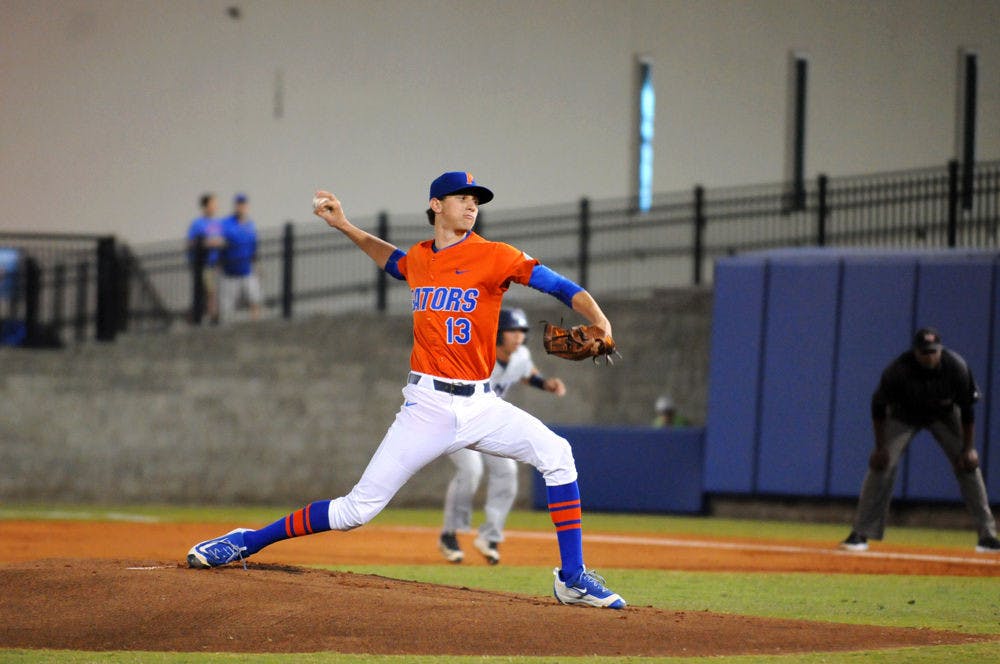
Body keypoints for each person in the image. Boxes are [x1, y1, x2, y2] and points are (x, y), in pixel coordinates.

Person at [187, 171, 627, 609]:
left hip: (482, 403)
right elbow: (393, 261)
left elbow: (563, 287)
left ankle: (572, 578)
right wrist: (344, 225)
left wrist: (601, 320)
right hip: (427, 406)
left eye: (477, 200)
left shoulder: (496, 256)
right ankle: (247, 540)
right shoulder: (419, 258)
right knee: (354, 512)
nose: (472, 205)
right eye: (462, 198)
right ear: (436, 205)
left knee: (558, 454)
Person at [839, 327, 1000, 553]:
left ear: (940, 350)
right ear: (915, 352)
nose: (929, 356)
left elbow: (967, 409)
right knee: (881, 466)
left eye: (933, 351)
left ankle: (988, 536)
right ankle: (860, 533)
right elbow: (878, 407)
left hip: (944, 415)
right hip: (904, 416)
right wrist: (880, 447)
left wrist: (969, 448)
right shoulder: (898, 370)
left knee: (969, 466)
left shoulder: (956, 366)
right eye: (924, 352)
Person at [438, 307, 566, 565]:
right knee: (471, 471)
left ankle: (489, 536)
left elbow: (527, 373)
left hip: (488, 423)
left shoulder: (521, 355)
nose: (518, 336)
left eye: (521, 331)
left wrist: (546, 384)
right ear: (497, 333)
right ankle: (449, 534)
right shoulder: (479, 354)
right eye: (512, 330)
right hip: (457, 420)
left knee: (507, 471)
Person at [218, 193, 262, 322]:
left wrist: (257, 266)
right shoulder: (226, 223)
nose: (241, 207)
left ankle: (255, 322)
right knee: (227, 304)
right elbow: (212, 233)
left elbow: (254, 247)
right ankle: (225, 326)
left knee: (254, 297)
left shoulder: (250, 225)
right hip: (230, 271)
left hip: (247, 269)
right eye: (239, 205)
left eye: (243, 205)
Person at [186, 193, 224, 324]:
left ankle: (197, 316)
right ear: (205, 206)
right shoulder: (197, 224)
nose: (215, 207)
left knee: (207, 292)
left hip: (213, 263)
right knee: (209, 291)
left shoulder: (216, 223)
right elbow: (190, 243)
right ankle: (212, 316)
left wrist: (219, 244)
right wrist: (206, 243)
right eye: (213, 204)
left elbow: (220, 240)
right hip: (202, 263)